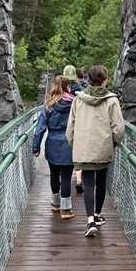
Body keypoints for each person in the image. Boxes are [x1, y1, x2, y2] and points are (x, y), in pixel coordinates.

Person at [66, 65, 125, 237]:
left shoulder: (78, 100)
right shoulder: (112, 100)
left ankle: (90, 220)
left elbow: (70, 126)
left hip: (83, 148)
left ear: (88, 80)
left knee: (89, 183)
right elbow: (119, 128)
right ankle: (98, 215)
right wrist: (115, 142)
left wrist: (74, 144)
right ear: (105, 80)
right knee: (101, 181)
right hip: (103, 146)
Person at [32, 75, 75, 219]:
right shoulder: (74, 104)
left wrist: (35, 147)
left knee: (54, 174)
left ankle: (55, 204)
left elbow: (39, 129)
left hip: (52, 143)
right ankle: (66, 210)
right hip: (69, 143)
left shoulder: (48, 105)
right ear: (67, 87)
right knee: (67, 177)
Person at [63, 64, 85, 193]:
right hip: (79, 125)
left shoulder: (61, 89)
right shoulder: (81, 90)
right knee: (79, 154)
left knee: (67, 152)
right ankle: (78, 179)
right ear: (76, 76)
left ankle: (63, 178)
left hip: (63, 127)